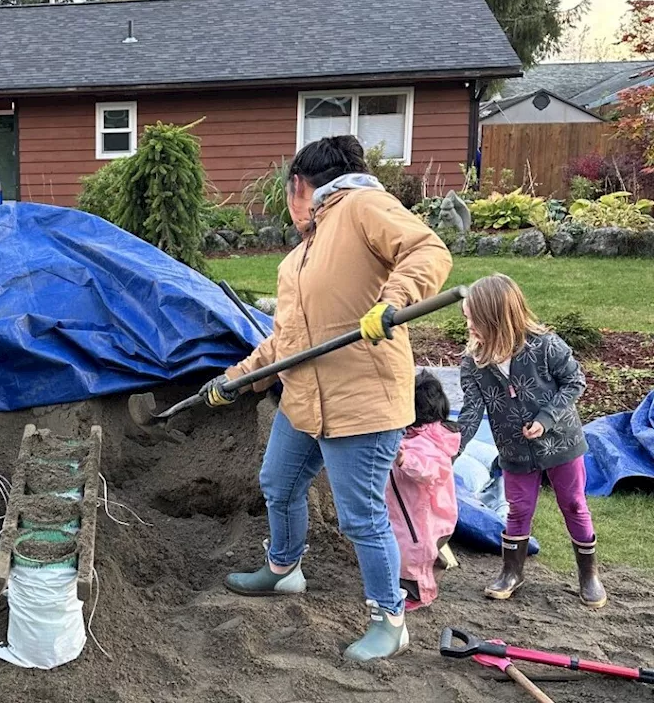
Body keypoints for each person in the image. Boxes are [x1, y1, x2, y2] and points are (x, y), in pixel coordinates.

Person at [200, 135, 451, 661]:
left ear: (299, 186)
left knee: (360, 514)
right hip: (307, 399)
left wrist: (394, 300)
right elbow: (284, 340)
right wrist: (237, 378)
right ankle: (284, 568)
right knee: (279, 481)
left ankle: (389, 619)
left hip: (362, 400)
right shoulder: (301, 255)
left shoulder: (361, 206)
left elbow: (427, 249)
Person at [456, 274, 605, 608]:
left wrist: (545, 419)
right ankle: (512, 572)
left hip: (561, 442)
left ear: (495, 317)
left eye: (472, 318)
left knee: (575, 504)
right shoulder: (473, 362)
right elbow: (470, 411)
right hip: (514, 449)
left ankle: (588, 576)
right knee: (518, 510)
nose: (467, 324)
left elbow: (575, 380)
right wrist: (450, 450)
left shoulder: (545, 345)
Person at [390, 371, 460, 612]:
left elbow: (429, 470)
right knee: (405, 550)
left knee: (414, 556)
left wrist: (404, 459)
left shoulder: (431, 441)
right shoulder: (410, 435)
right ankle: (425, 572)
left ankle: (421, 594)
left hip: (425, 518)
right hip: (406, 514)